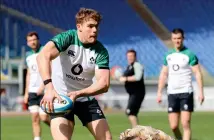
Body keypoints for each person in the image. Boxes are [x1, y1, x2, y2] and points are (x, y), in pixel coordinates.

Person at [37, 8, 112, 140]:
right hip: (61, 99)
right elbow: (43, 55)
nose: (95, 30)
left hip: (85, 100)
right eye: (90, 26)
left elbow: (104, 84)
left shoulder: (101, 51)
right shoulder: (67, 38)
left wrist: (78, 94)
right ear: (79, 27)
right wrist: (49, 88)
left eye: (96, 26)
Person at [156, 28, 204, 140]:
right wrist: (159, 92)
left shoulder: (190, 54)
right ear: (172, 39)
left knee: (186, 123)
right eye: (175, 38)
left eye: (179, 38)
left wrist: (200, 92)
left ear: (183, 38)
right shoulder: (168, 55)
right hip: (172, 92)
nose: (177, 41)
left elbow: (197, 73)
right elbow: (163, 74)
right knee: (173, 126)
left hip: (186, 92)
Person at [23, 31, 50, 140]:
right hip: (32, 91)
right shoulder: (28, 56)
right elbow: (29, 74)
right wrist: (26, 93)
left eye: (34, 39)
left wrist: (43, 86)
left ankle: (56, 128)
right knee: (34, 118)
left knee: (43, 117)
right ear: (27, 43)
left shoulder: (45, 51)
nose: (32, 42)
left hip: (44, 91)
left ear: (38, 40)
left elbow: (50, 70)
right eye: (30, 40)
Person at [119, 49, 145, 128]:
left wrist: (125, 79)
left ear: (135, 57)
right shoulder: (129, 66)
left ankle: (137, 133)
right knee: (132, 113)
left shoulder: (136, 65)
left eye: (131, 56)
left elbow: (138, 77)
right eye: (128, 56)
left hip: (137, 93)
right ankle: (138, 133)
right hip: (132, 93)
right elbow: (124, 77)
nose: (130, 58)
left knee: (130, 112)